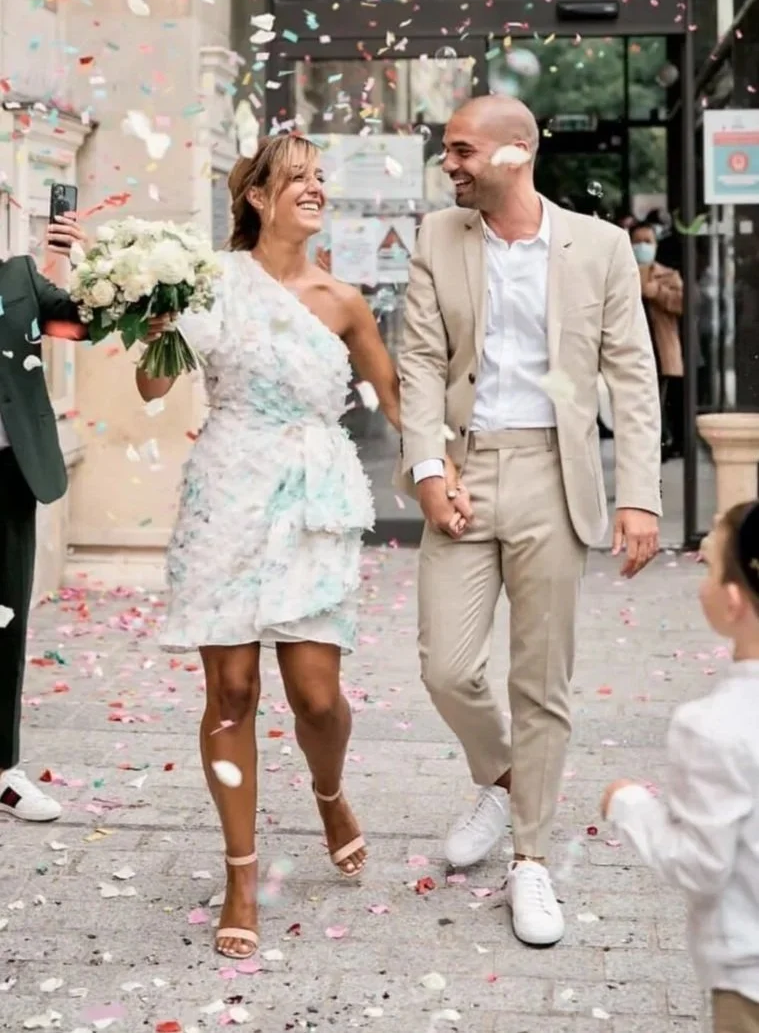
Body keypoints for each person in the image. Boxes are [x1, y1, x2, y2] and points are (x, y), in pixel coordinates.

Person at [136, 133, 464, 960]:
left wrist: (442, 472)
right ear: (257, 197)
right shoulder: (209, 280)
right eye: (298, 178)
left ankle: (328, 791)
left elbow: (399, 402)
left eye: (320, 178)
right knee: (232, 693)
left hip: (313, 499)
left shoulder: (342, 300)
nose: (316, 188)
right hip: (226, 492)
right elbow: (150, 384)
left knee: (316, 698)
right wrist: (157, 319)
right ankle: (240, 875)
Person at [398, 95, 661, 948]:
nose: (449, 164)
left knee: (540, 681)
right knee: (446, 666)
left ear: (518, 151)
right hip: (464, 469)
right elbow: (419, 362)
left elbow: (631, 374)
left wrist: (639, 494)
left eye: (462, 150)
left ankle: (530, 858)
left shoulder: (599, 246)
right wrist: (428, 469)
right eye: (447, 151)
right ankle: (503, 776)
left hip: (555, 472)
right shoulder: (438, 237)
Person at [602, 503, 759, 1033]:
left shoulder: (713, 726)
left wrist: (630, 805)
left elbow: (701, 865)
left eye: (709, 567)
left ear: (733, 602)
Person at [0, 216, 88, 821]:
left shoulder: (19, 277)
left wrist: (82, 260)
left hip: (8, 475)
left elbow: (82, 323)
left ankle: (2, 772)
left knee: (5, 624)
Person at [630, 220, 684, 460]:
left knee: (659, 400)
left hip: (660, 348)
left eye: (647, 241)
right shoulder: (622, 273)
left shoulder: (668, 275)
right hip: (633, 350)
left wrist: (657, 292)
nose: (642, 247)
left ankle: (662, 443)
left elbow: (683, 303)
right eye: (637, 242)